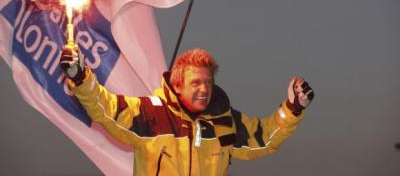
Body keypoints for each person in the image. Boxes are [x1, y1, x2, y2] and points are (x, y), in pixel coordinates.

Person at [60, 47, 314, 176]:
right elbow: (105, 108)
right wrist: (81, 77)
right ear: (178, 84)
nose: (204, 89)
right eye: (196, 83)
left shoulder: (225, 122)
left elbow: (264, 139)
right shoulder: (150, 113)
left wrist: (292, 108)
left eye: (208, 82)